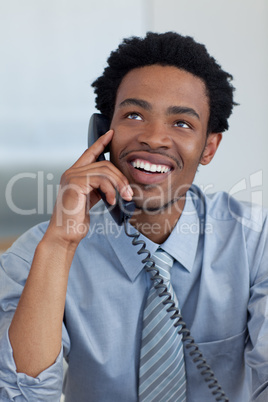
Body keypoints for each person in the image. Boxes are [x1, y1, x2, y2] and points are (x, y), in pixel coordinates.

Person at [0, 31, 267, 402]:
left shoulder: (256, 242)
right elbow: (19, 396)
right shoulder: (37, 253)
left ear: (209, 147)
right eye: (134, 114)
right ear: (102, 132)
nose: (154, 138)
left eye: (182, 123)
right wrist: (61, 244)